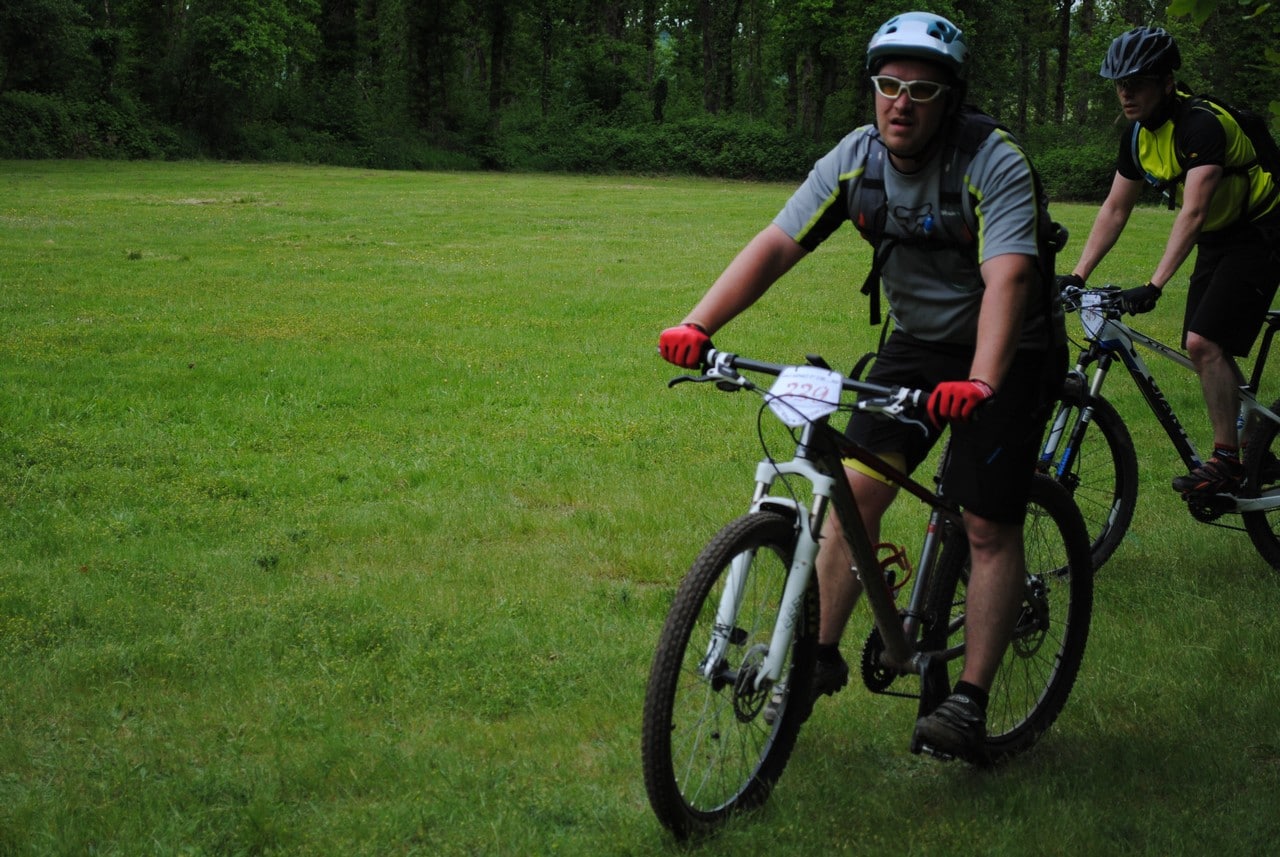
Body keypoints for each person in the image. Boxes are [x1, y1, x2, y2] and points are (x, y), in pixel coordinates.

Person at [657, 11, 1067, 761]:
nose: (900, 102)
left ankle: (969, 700)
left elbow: (1009, 278)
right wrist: (698, 323)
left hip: (1010, 350)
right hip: (916, 345)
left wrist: (981, 379)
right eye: (888, 85)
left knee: (985, 522)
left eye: (921, 89)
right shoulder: (856, 158)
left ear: (950, 98)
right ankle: (819, 654)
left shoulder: (992, 161)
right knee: (855, 492)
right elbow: (777, 243)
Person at [1060, 26, 1280, 496]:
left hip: (1262, 229)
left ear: (1166, 83)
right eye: (1120, 84)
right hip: (1219, 235)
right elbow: (1115, 208)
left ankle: (1227, 461)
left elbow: (1193, 211)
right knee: (1204, 346)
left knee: (1204, 341)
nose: (1126, 93)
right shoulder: (1137, 136)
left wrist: (1155, 284)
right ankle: (1258, 443)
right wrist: (1078, 274)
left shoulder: (1200, 124)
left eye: (1136, 83)